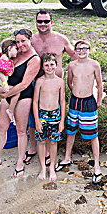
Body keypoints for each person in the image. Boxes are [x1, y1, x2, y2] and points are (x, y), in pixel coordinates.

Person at [23, 10, 77, 165]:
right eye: (40, 21)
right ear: (36, 23)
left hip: (56, 85)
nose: (43, 24)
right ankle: (33, 148)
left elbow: (75, 58)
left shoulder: (61, 39)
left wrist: (77, 78)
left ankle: (48, 150)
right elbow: (19, 55)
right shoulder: (31, 40)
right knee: (34, 118)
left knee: (53, 115)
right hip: (36, 83)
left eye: (46, 21)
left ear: (51, 22)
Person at [0, 29, 41, 178]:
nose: (20, 44)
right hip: (8, 94)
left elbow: (24, 84)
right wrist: (1, 92)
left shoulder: (34, 59)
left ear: (30, 40)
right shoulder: (14, 54)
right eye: (17, 42)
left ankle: (20, 163)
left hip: (23, 96)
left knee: (21, 131)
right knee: (1, 127)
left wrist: (5, 94)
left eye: (23, 41)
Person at [56, 40, 104, 184]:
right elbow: (69, 82)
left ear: (89, 50)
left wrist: (99, 101)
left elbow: (100, 84)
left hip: (89, 102)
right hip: (74, 102)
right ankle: (67, 158)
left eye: (84, 48)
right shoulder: (72, 65)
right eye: (78, 49)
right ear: (75, 51)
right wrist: (76, 92)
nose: (81, 51)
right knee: (71, 131)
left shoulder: (94, 64)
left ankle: (96, 165)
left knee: (93, 134)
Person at [32, 53, 65, 181]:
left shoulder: (60, 82)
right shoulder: (40, 81)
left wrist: (61, 121)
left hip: (55, 115)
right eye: (46, 65)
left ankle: (51, 166)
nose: (49, 67)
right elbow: (35, 102)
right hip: (42, 115)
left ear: (56, 65)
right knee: (41, 141)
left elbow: (62, 102)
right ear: (43, 67)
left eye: (52, 64)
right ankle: (42, 168)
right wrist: (37, 120)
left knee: (53, 142)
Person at [0, 39, 19, 124]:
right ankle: (10, 111)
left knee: (13, 92)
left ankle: (10, 109)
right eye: (16, 48)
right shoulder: (4, 58)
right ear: (9, 48)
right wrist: (5, 83)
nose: (17, 51)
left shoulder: (6, 59)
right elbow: (0, 71)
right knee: (17, 91)